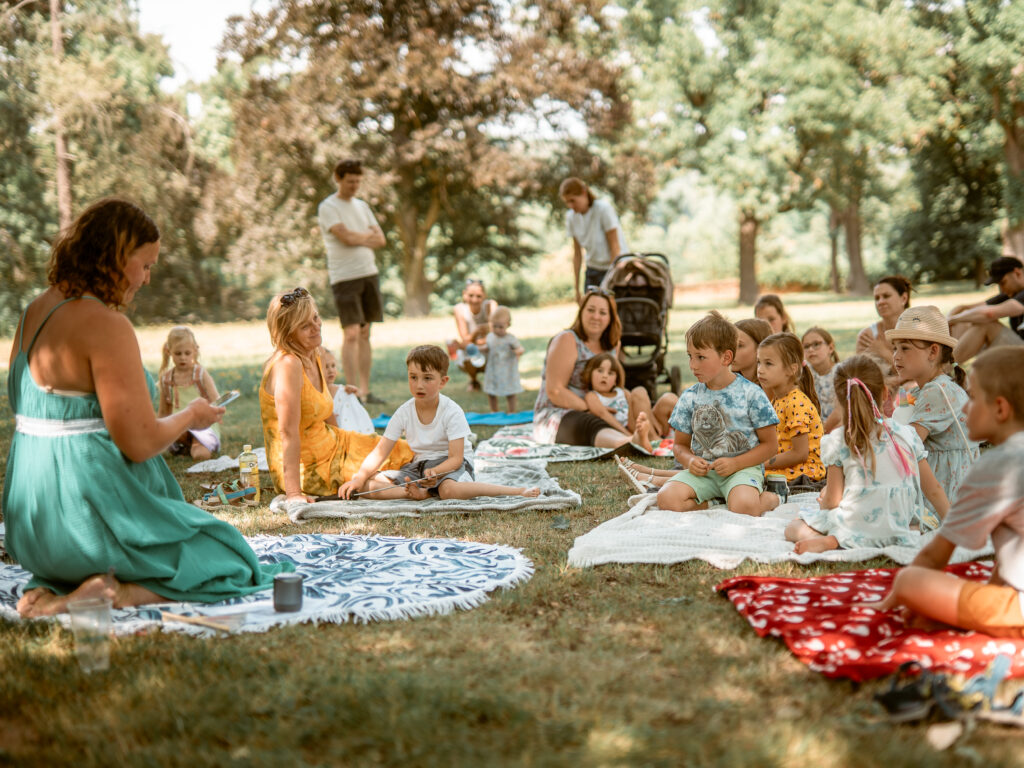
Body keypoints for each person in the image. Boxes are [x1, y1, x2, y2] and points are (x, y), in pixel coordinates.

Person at [3, 198, 287, 618]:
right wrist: (191, 416)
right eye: (146, 265)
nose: (147, 278)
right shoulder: (106, 325)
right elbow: (138, 444)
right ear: (117, 257)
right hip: (83, 524)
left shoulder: (34, 312)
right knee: (231, 557)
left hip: (32, 527)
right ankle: (114, 594)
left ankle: (60, 584)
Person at [862, 347, 1024, 636]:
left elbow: (935, 556)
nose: (964, 408)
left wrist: (897, 598)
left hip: (1016, 611)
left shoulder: (995, 467)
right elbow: (1011, 554)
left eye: (972, 398)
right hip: (1011, 597)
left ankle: (988, 623)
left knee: (910, 580)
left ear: (1000, 409)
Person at [259, 287, 414, 504]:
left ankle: (421, 483)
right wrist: (293, 494)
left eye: (315, 318)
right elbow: (288, 433)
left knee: (407, 450)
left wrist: (346, 445)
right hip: (307, 466)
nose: (316, 327)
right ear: (288, 333)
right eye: (305, 326)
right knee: (370, 482)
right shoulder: (288, 365)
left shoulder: (316, 353)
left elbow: (326, 411)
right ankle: (416, 492)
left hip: (332, 443)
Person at [785, 355, 949, 554]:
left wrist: (824, 502)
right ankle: (893, 535)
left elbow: (833, 501)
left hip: (853, 526)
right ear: (885, 393)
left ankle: (833, 540)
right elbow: (934, 490)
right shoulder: (907, 434)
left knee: (793, 527)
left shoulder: (839, 440)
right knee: (921, 520)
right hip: (898, 526)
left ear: (839, 401)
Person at [340, 345, 540, 500]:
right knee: (367, 485)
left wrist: (436, 472)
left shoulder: (452, 411)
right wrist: (358, 478)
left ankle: (516, 491)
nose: (419, 385)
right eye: (413, 377)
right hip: (419, 467)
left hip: (451, 465)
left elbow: (456, 458)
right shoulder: (404, 412)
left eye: (427, 378)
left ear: (443, 381)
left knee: (448, 491)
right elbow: (380, 452)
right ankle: (417, 493)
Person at [656, 311, 781, 516]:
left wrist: (736, 463)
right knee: (666, 499)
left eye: (701, 357)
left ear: (726, 357)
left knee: (744, 507)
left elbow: (771, 446)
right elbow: (679, 445)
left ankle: (771, 498)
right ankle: (714, 503)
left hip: (742, 470)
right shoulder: (689, 397)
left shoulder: (752, 394)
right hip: (704, 474)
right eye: (690, 356)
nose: (692, 365)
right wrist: (689, 461)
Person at [886, 306, 979, 529]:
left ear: (933, 352)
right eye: (895, 348)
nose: (896, 356)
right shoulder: (929, 388)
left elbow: (906, 446)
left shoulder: (937, 392)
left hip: (945, 494)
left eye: (905, 348)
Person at [318, 158, 386, 405]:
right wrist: (367, 235)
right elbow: (345, 237)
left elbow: (381, 240)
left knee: (365, 333)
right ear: (338, 178)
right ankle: (352, 391)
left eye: (358, 181)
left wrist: (360, 237)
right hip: (344, 277)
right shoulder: (328, 207)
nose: (355, 186)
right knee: (351, 333)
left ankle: (365, 392)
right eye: (350, 181)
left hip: (368, 273)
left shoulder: (362, 206)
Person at [533, 288, 633, 448]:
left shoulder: (613, 345)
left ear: (610, 318)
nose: (596, 316)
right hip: (560, 413)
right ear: (581, 312)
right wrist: (592, 408)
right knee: (588, 423)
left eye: (602, 312)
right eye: (591, 310)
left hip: (603, 410)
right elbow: (555, 391)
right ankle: (627, 443)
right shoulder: (566, 339)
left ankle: (645, 436)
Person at [757, 333, 826, 491]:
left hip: (802, 474)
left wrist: (760, 463)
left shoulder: (795, 403)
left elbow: (800, 454)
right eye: (759, 362)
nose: (760, 370)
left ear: (791, 369)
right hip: (784, 468)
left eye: (768, 364)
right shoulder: (778, 399)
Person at [560, 177, 629, 304]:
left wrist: (610, 281)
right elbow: (577, 254)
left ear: (583, 193)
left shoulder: (603, 209)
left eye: (573, 200)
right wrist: (577, 289)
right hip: (593, 269)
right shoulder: (571, 217)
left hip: (614, 268)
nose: (571, 206)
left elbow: (615, 247)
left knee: (610, 309)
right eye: (567, 202)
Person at [158, 326, 221, 461]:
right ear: (169, 352)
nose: (183, 358)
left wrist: (215, 414)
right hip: (179, 426)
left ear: (195, 351)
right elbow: (163, 412)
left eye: (187, 353)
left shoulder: (200, 374)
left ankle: (196, 444)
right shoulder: (166, 379)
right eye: (178, 353)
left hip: (202, 426)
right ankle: (187, 444)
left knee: (200, 455)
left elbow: (217, 400)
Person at [948, 256, 1024, 364]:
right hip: (1019, 350)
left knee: (985, 324)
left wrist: (951, 320)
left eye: (1003, 282)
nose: (1002, 289)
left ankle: (945, 369)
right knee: (966, 319)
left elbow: (989, 314)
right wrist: (949, 320)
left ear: (1017, 273)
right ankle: (948, 365)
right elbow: (964, 308)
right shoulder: (1013, 293)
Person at [581, 352, 662, 452]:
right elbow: (604, 415)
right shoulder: (592, 396)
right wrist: (627, 435)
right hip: (622, 429)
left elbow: (639, 406)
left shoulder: (623, 392)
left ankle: (654, 434)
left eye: (610, 373)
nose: (604, 376)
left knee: (644, 392)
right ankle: (651, 438)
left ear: (616, 380)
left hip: (636, 423)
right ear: (590, 374)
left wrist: (654, 422)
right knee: (638, 391)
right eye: (600, 371)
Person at [448, 278, 499, 391]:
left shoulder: (491, 305)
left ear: (484, 295)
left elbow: (496, 332)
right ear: (464, 294)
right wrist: (476, 333)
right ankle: (474, 380)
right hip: (472, 347)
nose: (474, 300)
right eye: (471, 295)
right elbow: (464, 338)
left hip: (487, 345)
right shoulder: (459, 309)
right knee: (466, 350)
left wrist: (479, 341)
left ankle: (494, 379)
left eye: (479, 296)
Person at [855, 275, 912, 369]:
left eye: (886, 296)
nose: (880, 302)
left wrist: (883, 353)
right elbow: (861, 374)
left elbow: (918, 373)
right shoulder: (867, 336)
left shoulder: (919, 331)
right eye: (877, 298)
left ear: (904, 298)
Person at [482, 305, 525, 413]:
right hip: (493, 369)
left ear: (508, 325)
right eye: (494, 326)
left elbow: (520, 348)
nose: (497, 329)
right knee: (491, 391)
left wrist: (518, 351)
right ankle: (494, 411)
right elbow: (488, 347)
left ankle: (511, 411)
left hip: (507, 370)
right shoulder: (490, 336)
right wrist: (481, 348)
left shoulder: (510, 339)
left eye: (500, 327)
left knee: (510, 392)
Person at [802, 326, 841, 432]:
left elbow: (842, 413)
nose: (811, 349)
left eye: (816, 344)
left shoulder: (842, 373)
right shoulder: (804, 375)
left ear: (830, 348)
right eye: (806, 346)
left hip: (837, 430)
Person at [733, 318, 773, 383]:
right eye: (730, 344)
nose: (730, 351)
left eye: (740, 345)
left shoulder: (772, 385)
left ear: (760, 348)